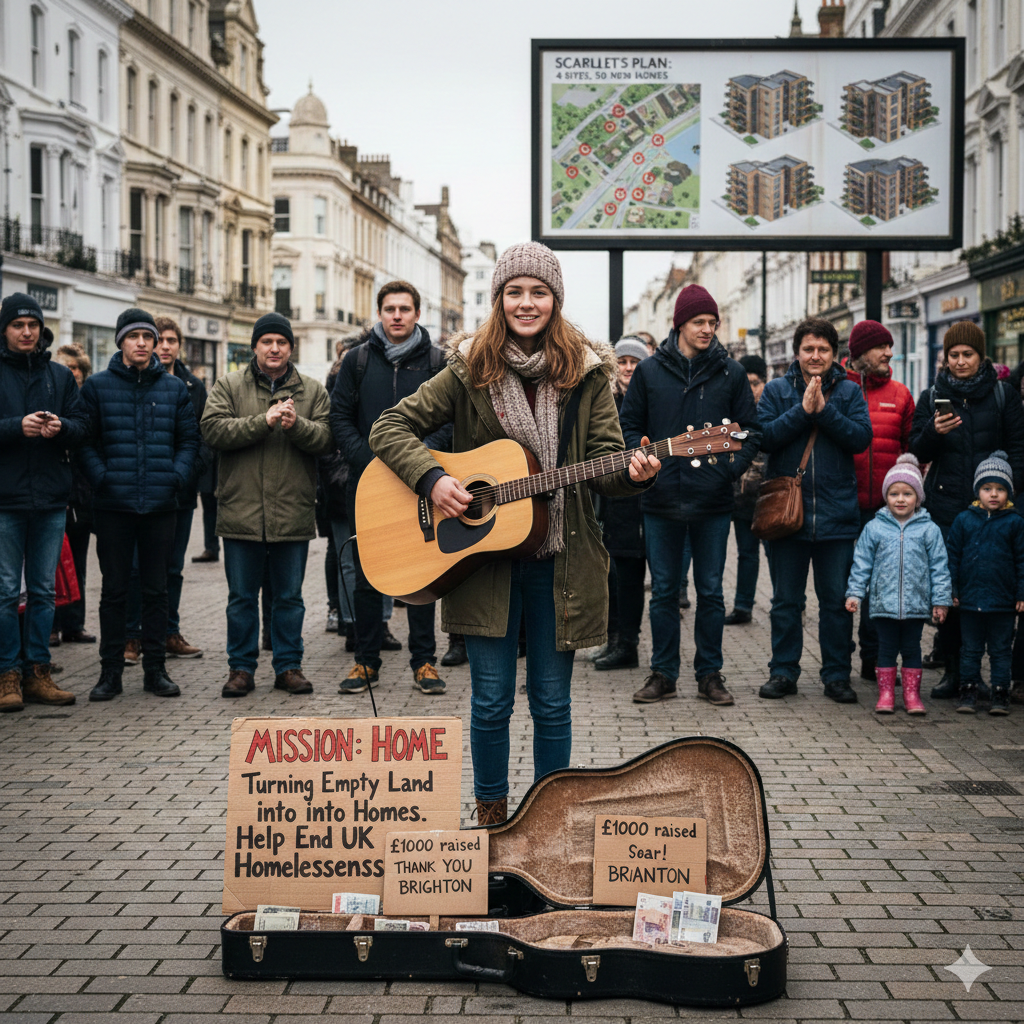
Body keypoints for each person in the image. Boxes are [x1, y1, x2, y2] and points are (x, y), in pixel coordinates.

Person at [368, 242, 659, 825]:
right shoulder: (467, 368)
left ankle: (548, 822)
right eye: (515, 292)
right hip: (483, 563)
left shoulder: (587, 372)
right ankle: (492, 818)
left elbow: (604, 462)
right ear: (500, 299)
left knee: (552, 703)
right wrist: (430, 479)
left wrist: (631, 474)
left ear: (555, 300)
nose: (527, 303)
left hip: (562, 560)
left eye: (539, 292)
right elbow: (389, 425)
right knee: (491, 701)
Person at [619, 284, 760, 706]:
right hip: (660, 500)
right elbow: (628, 425)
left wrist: (728, 473)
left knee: (711, 591)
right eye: (700, 322)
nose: (708, 329)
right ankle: (663, 673)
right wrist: (640, 461)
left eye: (713, 323)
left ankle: (710, 675)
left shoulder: (730, 373)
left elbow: (749, 433)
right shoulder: (649, 372)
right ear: (679, 323)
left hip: (713, 502)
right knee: (663, 590)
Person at [201, 311, 333, 697]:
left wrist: (298, 426)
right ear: (255, 346)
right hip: (241, 512)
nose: (274, 348)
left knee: (289, 597)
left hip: (291, 511)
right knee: (241, 598)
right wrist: (264, 421)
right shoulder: (228, 385)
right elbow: (212, 430)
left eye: (281, 342)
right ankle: (240, 669)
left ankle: (288, 666)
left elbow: (326, 439)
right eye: (267, 342)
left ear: (291, 348)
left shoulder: (312, 390)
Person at [331, 281, 451, 696]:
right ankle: (366, 661)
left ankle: (424, 663)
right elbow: (340, 419)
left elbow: (449, 422)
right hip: (366, 485)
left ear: (417, 313)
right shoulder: (357, 360)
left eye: (404, 308)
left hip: (424, 484)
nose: (396, 315)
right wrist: (372, 463)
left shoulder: (438, 361)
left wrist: (417, 463)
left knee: (423, 576)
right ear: (379, 314)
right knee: (368, 577)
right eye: (389, 309)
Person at [79, 308, 200, 702]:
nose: (143, 343)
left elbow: (189, 442)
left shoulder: (173, 388)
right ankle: (110, 672)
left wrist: (175, 477)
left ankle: (155, 670)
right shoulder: (97, 387)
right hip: (114, 506)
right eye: (134, 336)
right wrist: (103, 478)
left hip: (160, 505)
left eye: (148, 336)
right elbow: (85, 442)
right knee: (114, 591)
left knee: (156, 590)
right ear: (121, 342)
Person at [757, 317, 872, 703]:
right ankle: (783, 672)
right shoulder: (775, 390)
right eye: (809, 349)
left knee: (836, 602)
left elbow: (860, 438)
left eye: (823, 349)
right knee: (786, 602)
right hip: (787, 516)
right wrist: (803, 411)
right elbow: (766, 438)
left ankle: (837, 675)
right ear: (797, 353)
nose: (816, 355)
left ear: (835, 354)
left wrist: (824, 411)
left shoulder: (851, 392)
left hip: (837, 517)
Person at [909, 321, 1024, 700]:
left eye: (967, 355)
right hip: (946, 509)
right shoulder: (932, 396)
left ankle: (996, 674)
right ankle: (956, 672)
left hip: (994, 512)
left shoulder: (1003, 395)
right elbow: (917, 452)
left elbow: (1018, 449)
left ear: (981, 356)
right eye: (953, 355)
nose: (960, 362)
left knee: (993, 590)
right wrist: (934, 432)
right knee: (952, 591)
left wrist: (1009, 501)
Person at [0, 294, 88, 711]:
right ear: (5, 330)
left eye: (32, 325)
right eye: (18, 325)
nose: (26, 332)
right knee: (3, 592)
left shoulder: (59, 375)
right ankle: (7, 675)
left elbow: (82, 425)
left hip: (51, 499)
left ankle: (38, 671)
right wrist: (17, 427)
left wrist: (60, 427)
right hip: (6, 499)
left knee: (42, 591)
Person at [124, 317, 210, 662]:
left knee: (172, 568)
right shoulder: (133, 380)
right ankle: (132, 636)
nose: (164, 346)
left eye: (171, 340)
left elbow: (203, 439)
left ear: (179, 345)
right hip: (136, 495)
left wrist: (183, 475)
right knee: (134, 568)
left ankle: (168, 632)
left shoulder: (193, 386)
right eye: (160, 340)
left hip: (179, 494)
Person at [845, 454, 950, 715]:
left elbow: (939, 568)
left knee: (913, 649)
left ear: (918, 497)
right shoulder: (874, 528)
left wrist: (941, 600)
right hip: (883, 604)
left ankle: (912, 696)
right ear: (886, 496)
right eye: (894, 494)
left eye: (907, 494)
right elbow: (862, 563)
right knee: (887, 649)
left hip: (916, 604)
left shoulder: (929, 530)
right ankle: (886, 694)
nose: (900, 499)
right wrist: (855, 593)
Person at [845, 320, 915, 682]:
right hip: (842, 504)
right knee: (844, 584)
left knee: (881, 586)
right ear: (859, 354)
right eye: (881, 347)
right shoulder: (839, 388)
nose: (889, 353)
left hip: (887, 510)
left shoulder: (902, 395)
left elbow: (910, 451)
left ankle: (873, 660)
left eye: (890, 346)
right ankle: (840, 661)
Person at [946, 451, 1024, 715]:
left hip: (1002, 602)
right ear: (977, 491)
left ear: (1009, 493)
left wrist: (1021, 593)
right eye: (987, 488)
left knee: (1001, 651)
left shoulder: (1015, 523)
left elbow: (1022, 561)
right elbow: (952, 558)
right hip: (970, 600)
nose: (993, 494)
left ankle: (1000, 694)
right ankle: (967, 691)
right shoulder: (964, 520)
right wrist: (952, 590)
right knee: (970, 649)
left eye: (1000, 489)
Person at [594, 337, 650, 671]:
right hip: (612, 499)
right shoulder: (605, 399)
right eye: (623, 362)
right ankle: (614, 639)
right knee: (613, 575)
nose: (628, 368)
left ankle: (628, 643)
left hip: (646, 498)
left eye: (635, 362)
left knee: (630, 577)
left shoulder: (647, 397)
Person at [52, 343, 96, 645]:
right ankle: (52, 626)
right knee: (52, 563)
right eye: (66, 367)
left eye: (75, 367)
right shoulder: (51, 397)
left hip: (82, 496)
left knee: (76, 563)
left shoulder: (86, 402)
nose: (71, 372)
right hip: (56, 494)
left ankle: (74, 624)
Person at [725, 354, 768, 625]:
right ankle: (743, 606)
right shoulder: (734, 409)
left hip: (766, 495)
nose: (752, 389)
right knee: (745, 552)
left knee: (771, 554)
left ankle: (787, 604)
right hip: (739, 495)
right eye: (747, 383)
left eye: (756, 382)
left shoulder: (769, 409)